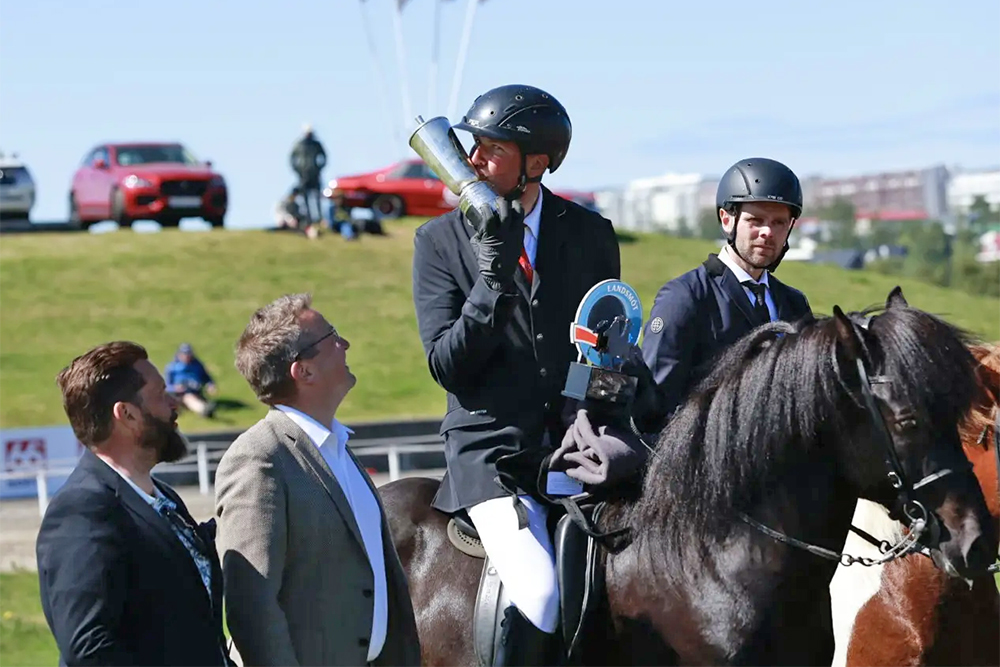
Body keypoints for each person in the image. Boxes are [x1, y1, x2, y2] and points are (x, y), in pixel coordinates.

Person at [411, 84, 620, 664]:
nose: (474, 161)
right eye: (473, 147)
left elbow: (598, 352)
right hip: (491, 451)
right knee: (542, 594)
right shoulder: (437, 241)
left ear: (538, 162)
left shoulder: (590, 235)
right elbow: (446, 366)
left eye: (490, 149)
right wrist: (492, 284)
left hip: (575, 444)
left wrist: (584, 410)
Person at [215, 293, 420, 666]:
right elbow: (252, 605)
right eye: (332, 337)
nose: (345, 344)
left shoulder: (337, 448)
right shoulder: (260, 457)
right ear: (303, 371)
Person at [35, 341, 230, 666]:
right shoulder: (82, 511)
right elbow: (89, 650)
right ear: (126, 414)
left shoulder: (162, 497)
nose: (174, 405)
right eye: (160, 394)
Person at [640, 157, 813, 428]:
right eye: (756, 220)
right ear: (727, 219)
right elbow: (656, 406)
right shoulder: (684, 298)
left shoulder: (795, 304)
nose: (767, 232)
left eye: (779, 222)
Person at [165, 342, 218, 418]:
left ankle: (205, 407)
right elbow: (166, 386)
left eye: (189, 354)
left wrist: (210, 385)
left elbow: (207, 378)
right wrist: (175, 388)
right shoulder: (172, 368)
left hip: (196, 391)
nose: (187, 357)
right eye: (185, 354)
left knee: (194, 398)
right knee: (188, 398)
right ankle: (203, 410)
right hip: (179, 394)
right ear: (179, 354)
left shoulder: (197, 365)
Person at [290, 124, 327, 227]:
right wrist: (298, 171)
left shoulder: (316, 144)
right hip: (303, 176)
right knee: (304, 197)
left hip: (315, 175)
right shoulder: (299, 145)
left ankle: (319, 218)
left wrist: (318, 168)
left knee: (317, 196)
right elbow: (292, 159)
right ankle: (308, 218)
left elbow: (324, 156)